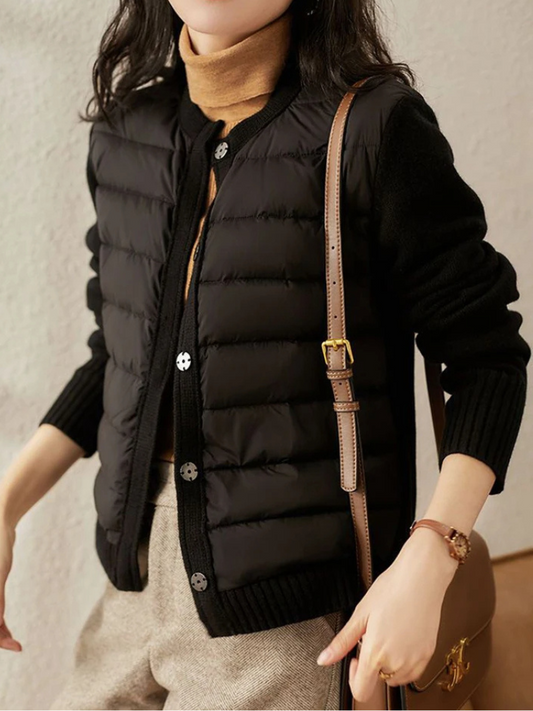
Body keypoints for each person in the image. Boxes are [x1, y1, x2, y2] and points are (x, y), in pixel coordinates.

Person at [0, 0, 529, 709]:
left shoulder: (373, 129)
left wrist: (431, 555)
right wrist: (7, 506)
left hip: (291, 629)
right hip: (128, 599)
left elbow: (486, 357)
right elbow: (121, 358)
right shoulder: (127, 129)